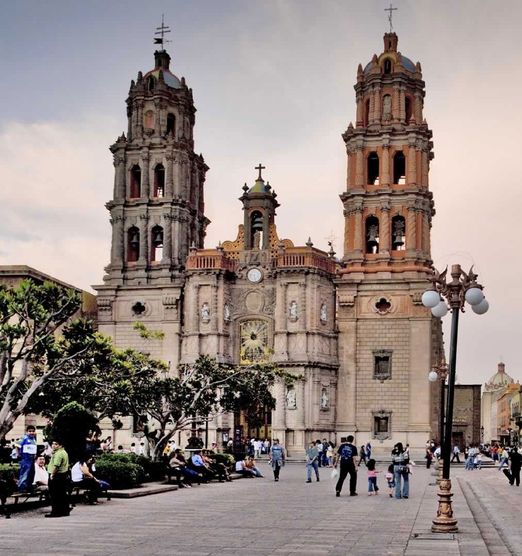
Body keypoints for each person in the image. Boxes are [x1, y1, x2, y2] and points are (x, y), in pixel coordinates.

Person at [46, 440, 70, 517]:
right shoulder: (64, 452)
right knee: (62, 494)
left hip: (57, 476)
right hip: (63, 475)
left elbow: (56, 465)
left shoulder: (59, 454)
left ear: (60, 445)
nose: (53, 445)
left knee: (55, 495)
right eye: (53, 444)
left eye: (56, 444)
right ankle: (64, 511)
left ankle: (55, 512)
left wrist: (52, 475)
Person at [17, 425, 37, 492]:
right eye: (30, 431)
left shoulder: (33, 439)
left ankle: (29, 487)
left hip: (32, 459)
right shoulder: (24, 438)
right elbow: (17, 445)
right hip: (25, 459)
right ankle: (22, 488)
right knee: (24, 473)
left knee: (31, 474)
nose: (31, 432)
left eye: (33, 431)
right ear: (27, 431)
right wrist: (18, 454)